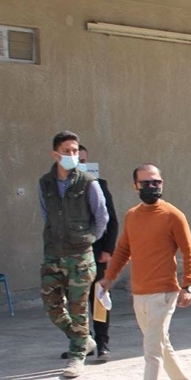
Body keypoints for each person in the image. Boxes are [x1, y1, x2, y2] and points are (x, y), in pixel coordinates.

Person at [98, 164, 191, 380]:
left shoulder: (173, 215)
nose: (152, 187)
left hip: (164, 293)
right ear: (136, 186)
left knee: (151, 349)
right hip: (139, 292)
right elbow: (123, 250)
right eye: (146, 183)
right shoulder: (132, 216)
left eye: (156, 182)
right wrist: (108, 278)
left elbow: (189, 252)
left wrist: (187, 286)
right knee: (160, 343)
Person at [38, 131, 109, 378]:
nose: (72, 155)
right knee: (52, 306)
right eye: (66, 151)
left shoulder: (88, 182)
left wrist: (88, 239)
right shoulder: (45, 183)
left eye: (75, 151)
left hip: (80, 255)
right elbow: (46, 214)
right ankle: (83, 339)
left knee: (78, 308)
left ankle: (77, 357)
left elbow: (102, 216)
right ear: (55, 154)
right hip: (53, 254)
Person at [60, 144, 119, 361]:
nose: (79, 163)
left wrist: (108, 250)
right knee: (75, 302)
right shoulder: (60, 188)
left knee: (99, 300)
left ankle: (102, 344)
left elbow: (111, 220)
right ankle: (82, 343)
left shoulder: (99, 185)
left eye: (83, 160)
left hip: (96, 253)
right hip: (70, 255)